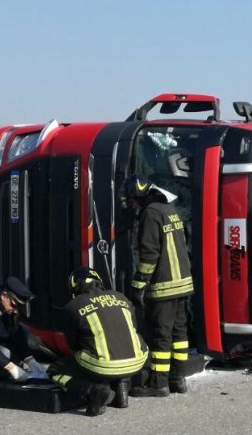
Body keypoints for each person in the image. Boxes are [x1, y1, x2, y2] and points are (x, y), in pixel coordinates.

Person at [123, 175, 194, 397]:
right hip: (183, 284)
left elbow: (149, 255)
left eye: (132, 200)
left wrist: (137, 286)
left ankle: (158, 384)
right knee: (179, 334)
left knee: (160, 334)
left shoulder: (150, 213)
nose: (132, 204)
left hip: (164, 286)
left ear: (139, 196)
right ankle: (178, 379)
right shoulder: (168, 209)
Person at [48, 266, 148, 416]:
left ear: (76, 286)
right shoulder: (121, 297)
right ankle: (122, 383)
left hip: (103, 365)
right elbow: (132, 329)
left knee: (55, 370)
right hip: (138, 361)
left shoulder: (73, 307)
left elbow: (73, 345)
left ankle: (93, 390)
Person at [0, 276, 44, 383]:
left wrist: (29, 359)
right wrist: (10, 367)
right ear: (4, 296)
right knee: (4, 353)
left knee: (23, 332)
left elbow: (15, 333)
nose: (16, 310)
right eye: (14, 304)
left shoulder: (9, 309)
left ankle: (2, 376)